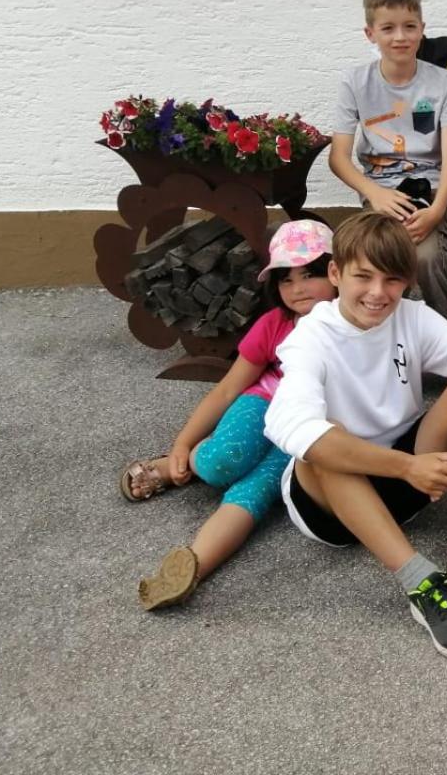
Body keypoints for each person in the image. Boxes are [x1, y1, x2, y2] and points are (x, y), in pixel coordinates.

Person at [264, 211, 447, 659]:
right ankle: (420, 582)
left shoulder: (412, 317)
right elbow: (288, 424)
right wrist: (408, 467)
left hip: (409, 478)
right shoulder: (309, 338)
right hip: (333, 509)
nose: (378, 293)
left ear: (407, 281)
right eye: (363, 277)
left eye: (392, 279)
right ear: (335, 273)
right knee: (322, 443)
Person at [125, 220, 336, 610]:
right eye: (286, 279)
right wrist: (183, 442)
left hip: (310, 427)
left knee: (257, 490)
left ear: (337, 273)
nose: (298, 288)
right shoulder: (274, 324)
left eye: (310, 274)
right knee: (221, 462)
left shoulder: (354, 325)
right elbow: (227, 389)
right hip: (264, 402)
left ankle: (192, 567)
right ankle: (178, 463)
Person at [329, 0, 447, 326]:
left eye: (409, 26)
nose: (400, 37)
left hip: (431, 191)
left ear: (422, 29)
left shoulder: (443, 82)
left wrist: (437, 210)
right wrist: (374, 194)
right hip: (380, 192)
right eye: (388, 28)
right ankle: (377, 336)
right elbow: (338, 157)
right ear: (370, 33)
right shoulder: (355, 82)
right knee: (377, 258)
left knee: (427, 257)